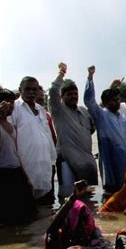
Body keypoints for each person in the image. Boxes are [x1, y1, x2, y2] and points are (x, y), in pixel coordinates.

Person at [84, 66, 126, 193]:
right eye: (113, 101)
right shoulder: (101, 115)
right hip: (110, 160)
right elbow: (89, 100)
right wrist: (90, 77)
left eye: (118, 100)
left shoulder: (123, 118)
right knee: (111, 194)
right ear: (105, 102)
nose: (117, 103)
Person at [49, 63, 98, 197]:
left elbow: (91, 130)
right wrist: (61, 72)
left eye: (75, 94)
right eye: (69, 94)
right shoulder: (58, 110)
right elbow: (53, 90)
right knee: (68, 199)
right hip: (67, 163)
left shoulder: (83, 111)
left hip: (88, 163)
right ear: (62, 97)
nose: (73, 96)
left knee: (90, 200)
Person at [10, 76, 57, 199]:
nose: (32, 92)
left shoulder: (41, 109)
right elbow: (11, 138)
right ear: (20, 90)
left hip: (45, 168)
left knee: (47, 210)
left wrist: (52, 160)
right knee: (27, 210)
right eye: (28, 89)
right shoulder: (14, 108)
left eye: (34, 90)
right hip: (25, 169)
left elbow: (47, 136)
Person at [0, 90, 37, 224]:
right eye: (6, 102)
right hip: (2, 175)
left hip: (16, 172)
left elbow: (15, 152)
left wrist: (26, 177)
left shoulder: (10, 124)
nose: (9, 105)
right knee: (6, 219)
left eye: (11, 102)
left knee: (28, 216)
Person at [45, 181, 110, 249]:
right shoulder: (57, 237)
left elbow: (106, 246)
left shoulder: (93, 231)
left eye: (86, 219)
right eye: (81, 220)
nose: (85, 224)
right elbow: (53, 228)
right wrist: (72, 198)